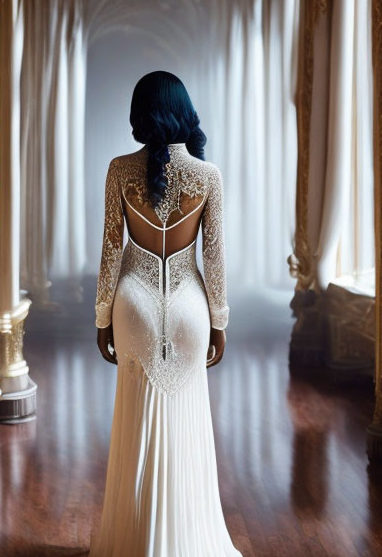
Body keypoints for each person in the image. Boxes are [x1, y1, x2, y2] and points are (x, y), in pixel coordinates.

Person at [89, 70, 241, 557]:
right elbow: (213, 257)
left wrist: (101, 317)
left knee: (137, 421)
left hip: (133, 304)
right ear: (184, 111)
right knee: (187, 419)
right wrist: (219, 322)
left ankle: (134, 540)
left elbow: (112, 250)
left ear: (140, 115)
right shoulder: (207, 176)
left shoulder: (119, 170)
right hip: (189, 308)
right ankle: (188, 541)